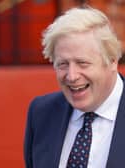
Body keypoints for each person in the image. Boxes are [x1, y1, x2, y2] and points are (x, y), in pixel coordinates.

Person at [24, 6, 125, 168]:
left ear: (112, 61)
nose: (71, 76)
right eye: (62, 64)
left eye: (82, 63)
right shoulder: (41, 113)